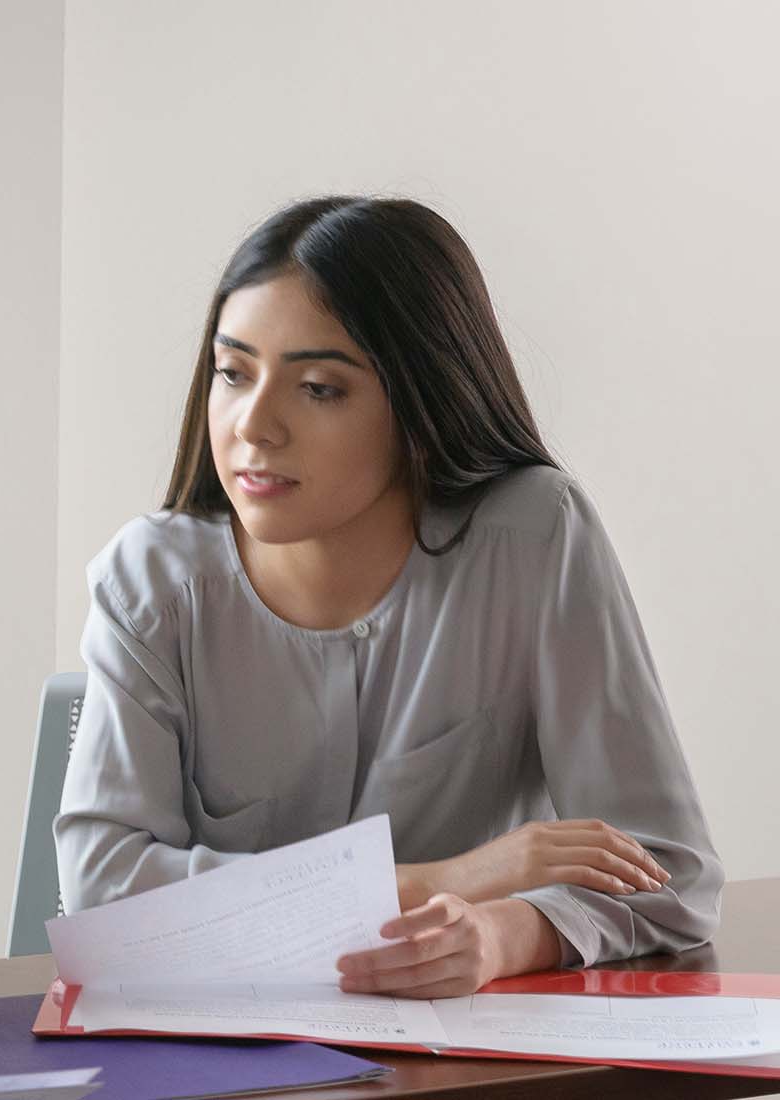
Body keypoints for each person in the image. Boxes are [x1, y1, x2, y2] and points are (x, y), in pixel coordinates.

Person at [56, 195, 722, 998]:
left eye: (320, 389)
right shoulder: (151, 583)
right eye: (233, 373)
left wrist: (506, 933)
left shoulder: (532, 537)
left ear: (420, 397)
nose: (254, 425)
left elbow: (669, 872)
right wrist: (444, 879)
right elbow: (103, 893)